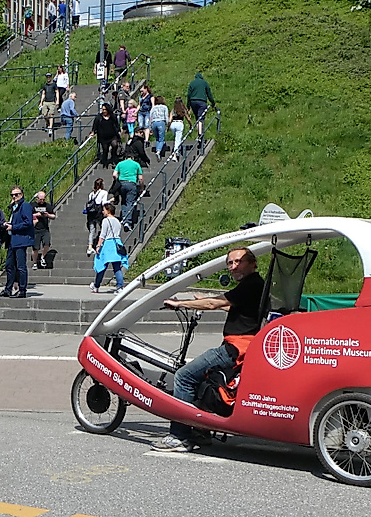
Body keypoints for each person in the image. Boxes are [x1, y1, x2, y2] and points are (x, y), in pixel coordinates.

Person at [152, 248, 266, 452]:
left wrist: (181, 303)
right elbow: (233, 306)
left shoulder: (251, 284)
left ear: (252, 263)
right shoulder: (254, 284)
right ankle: (200, 430)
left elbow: (214, 303)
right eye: (230, 263)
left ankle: (179, 436)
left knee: (184, 376)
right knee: (202, 378)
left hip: (235, 349)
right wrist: (201, 300)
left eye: (238, 262)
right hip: (242, 346)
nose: (233, 267)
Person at [0, 186, 33, 299]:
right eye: (12, 195)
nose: (14, 197)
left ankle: (22, 290)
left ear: (22, 195)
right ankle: (8, 289)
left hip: (20, 240)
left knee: (20, 266)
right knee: (9, 265)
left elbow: (28, 222)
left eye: (16, 194)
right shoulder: (14, 207)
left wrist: (13, 227)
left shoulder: (25, 206)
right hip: (12, 240)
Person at [89, 203, 127, 294]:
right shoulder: (117, 221)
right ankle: (120, 287)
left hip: (108, 244)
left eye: (104, 210)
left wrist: (98, 246)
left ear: (108, 211)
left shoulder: (106, 221)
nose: (103, 212)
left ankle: (96, 286)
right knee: (117, 267)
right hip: (117, 243)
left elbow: (102, 235)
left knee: (101, 266)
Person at [113, 151, 143, 231]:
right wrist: (141, 188)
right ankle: (127, 221)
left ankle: (123, 218)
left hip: (122, 184)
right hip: (131, 184)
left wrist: (117, 180)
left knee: (124, 201)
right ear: (132, 158)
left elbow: (114, 174)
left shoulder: (120, 164)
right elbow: (140, 178)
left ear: (125, 158)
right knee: (130, 202)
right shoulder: (136, 164)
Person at [186, 72, 215, 144]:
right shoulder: (204, 83)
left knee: (197, 118)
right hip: (202, 102)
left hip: (193, 102)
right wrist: (213, 103)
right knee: (201, 118)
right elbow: (209, 94)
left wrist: (188, 107)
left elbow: (189, 95)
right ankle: (200, 135)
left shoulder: (192, 83)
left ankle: (199, 133)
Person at [84, 178, 110, 256]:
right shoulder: (104, 192)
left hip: (91, 213)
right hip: (98, 213)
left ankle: (90, 247)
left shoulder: (91, 194)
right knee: (103, 228)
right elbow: (104, 203)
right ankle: (102, 244)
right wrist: (110, 200)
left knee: (92, 230)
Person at [30, 191, 56, 269]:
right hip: (35, 229)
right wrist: (36, 215)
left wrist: (47, 215)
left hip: (45, 229)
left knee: (47, 243)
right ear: (37, 198)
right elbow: (27, 215)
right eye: (40, 199)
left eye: (43, 199)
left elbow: (54, 216)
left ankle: (42, 257)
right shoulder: (32, 205)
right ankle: (35, 262)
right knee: (35, 248)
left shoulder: (47, 206)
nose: (42, 201)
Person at [93, 102, 121, 168]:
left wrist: (118, 131)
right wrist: (93, 132)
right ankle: (105, 163)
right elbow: (95, 126)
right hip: (103, 137)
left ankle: (113, 158)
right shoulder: (99, 117)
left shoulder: (112, 117)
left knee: (115, 145)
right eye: (103, 109)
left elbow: (116, 125)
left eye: (105, 109)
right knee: (105, 150)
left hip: (112, 136)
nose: (104, 111)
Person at [149, 95, 169, 161]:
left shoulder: (153, 108)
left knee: (157, 138)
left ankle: (158, 149)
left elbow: (150, 117)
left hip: (154, 122)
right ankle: (158, 151)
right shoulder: (164, 107)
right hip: (161, 122)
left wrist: (150, 127)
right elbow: (166, 116)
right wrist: (167, 124)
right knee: (161, 138)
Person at [170, 97, 187, 162]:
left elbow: (170, 119)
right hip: (179, 124)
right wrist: (191, 124)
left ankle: (177, 150)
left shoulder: (173, 110)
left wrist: (168, 127)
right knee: (178, 140)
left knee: (176, 138)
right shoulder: (183, 110)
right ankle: (174, 155)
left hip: (173, 124)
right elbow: (188, 118)